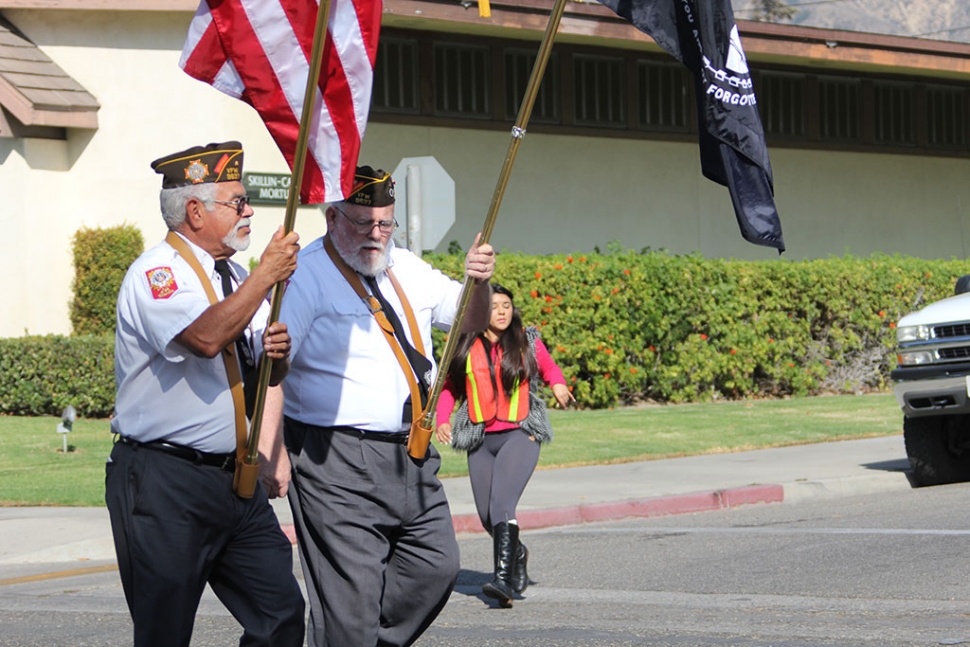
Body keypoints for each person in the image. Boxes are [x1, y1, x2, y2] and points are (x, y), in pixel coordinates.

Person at [257, 166, 496, 647]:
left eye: (385, 224)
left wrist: (479, 281)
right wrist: (272, 449)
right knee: (350, 597)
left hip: (412, 452)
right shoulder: (307, 275)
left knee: (437, 565)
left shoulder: (406, 266)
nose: (375, 234)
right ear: (332, 217)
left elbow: (471, 317)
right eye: (362, 223)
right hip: (335, 458)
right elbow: (274, 368)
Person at [104, 141, 305, 647]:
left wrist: (275, 358)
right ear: (195, 211)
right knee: (165, 632)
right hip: (165, 480)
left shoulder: (236, 277)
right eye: (238, 201)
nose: (249, 211)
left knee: (280, 612)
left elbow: (260, 376)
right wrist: (265, 275)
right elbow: (204, 338)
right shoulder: (158, 274)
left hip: (234, 480)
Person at [434, 283, 574, 607]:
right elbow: (449, 387)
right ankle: (518, 553)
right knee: (486, 515)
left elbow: (550, 368)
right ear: (482, 309)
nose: (501, 311)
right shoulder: (465, 344)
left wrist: (558, 385)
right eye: (494, 305)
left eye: (506, 305)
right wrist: (443, 419)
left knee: (502, 506)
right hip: (481, 439)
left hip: (519, 434)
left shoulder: (526, 340)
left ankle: (503, 581)